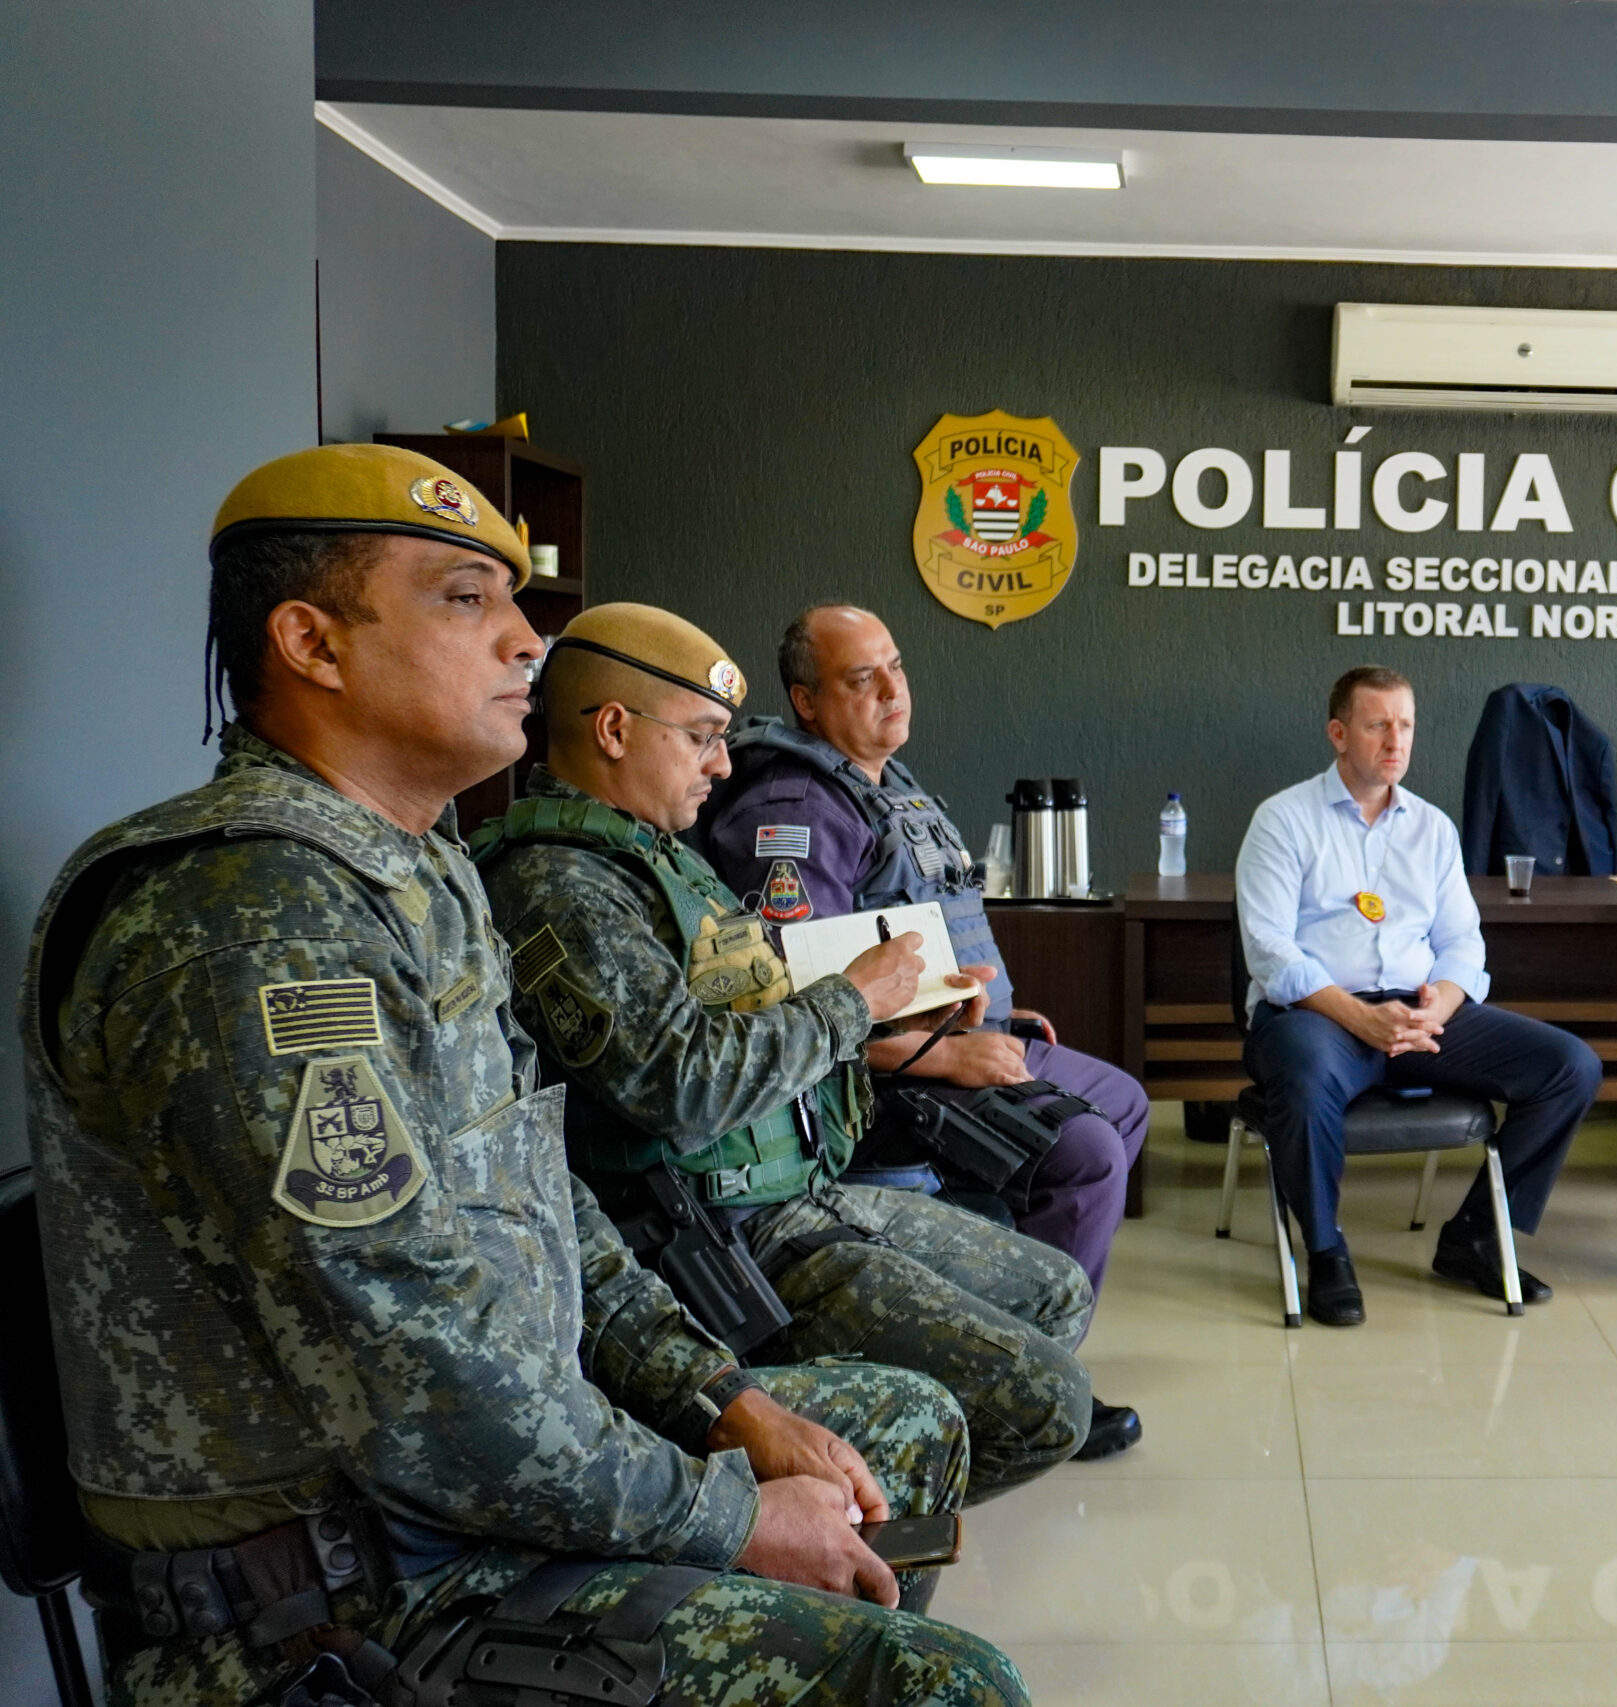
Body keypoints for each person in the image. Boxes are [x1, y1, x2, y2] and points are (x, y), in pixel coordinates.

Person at [20, 444, 1021, 1705]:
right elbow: (415, 1364)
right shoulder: (252, 914)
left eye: (514, 601)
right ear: (312, 643)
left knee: (898, 1437)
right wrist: (721, 1513)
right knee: (946, 1687)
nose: (525, 644)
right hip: (342, 1600)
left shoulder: (421, 872)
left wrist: (722, 1399)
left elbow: (546, 1194)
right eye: (465, 601)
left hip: (473, 1494)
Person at [475, 602, 1105, 1496]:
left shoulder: (655, 854)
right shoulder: (562, 885)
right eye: (702, 737)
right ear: (614, 730)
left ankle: (871, 1487)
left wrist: (913, 1011)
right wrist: (856, 1000)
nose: (723, 764)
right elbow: (680, 1084)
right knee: (1045, 1401)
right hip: (710, 1233)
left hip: (787, 1188)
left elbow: (752, 1002)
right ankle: (835, 1517)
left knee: (1056, 1291)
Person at [700, 604, 1147, 1459]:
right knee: (1086, 1153)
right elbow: (792, 1005)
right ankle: (1023, 1390)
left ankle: (1022, 1343)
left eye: (896, 667)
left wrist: (988, 1019)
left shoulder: (883, 780)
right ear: (805, 700)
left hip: (957, 1039)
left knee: (1122, 1101)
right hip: (877, 1078)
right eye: (861, 678)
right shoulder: (794, 809)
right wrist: (949, 1055)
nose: (892, 690)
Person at [1233, 665, 1603, 1327]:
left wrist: (1441, 1006)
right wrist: (1360, 1018)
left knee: (1569, 1066)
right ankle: (1325, 1249)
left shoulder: (1432, 827)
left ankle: (1476, 1237)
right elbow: (1269, 949)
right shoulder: (1283, 819)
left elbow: (1463, 941)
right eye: (1378, 725)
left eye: (1405, 725)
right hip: (1318, 1014)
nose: (1395, 740)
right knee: (1306, 1079)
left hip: (1419, 1012)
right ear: (1339, 733)